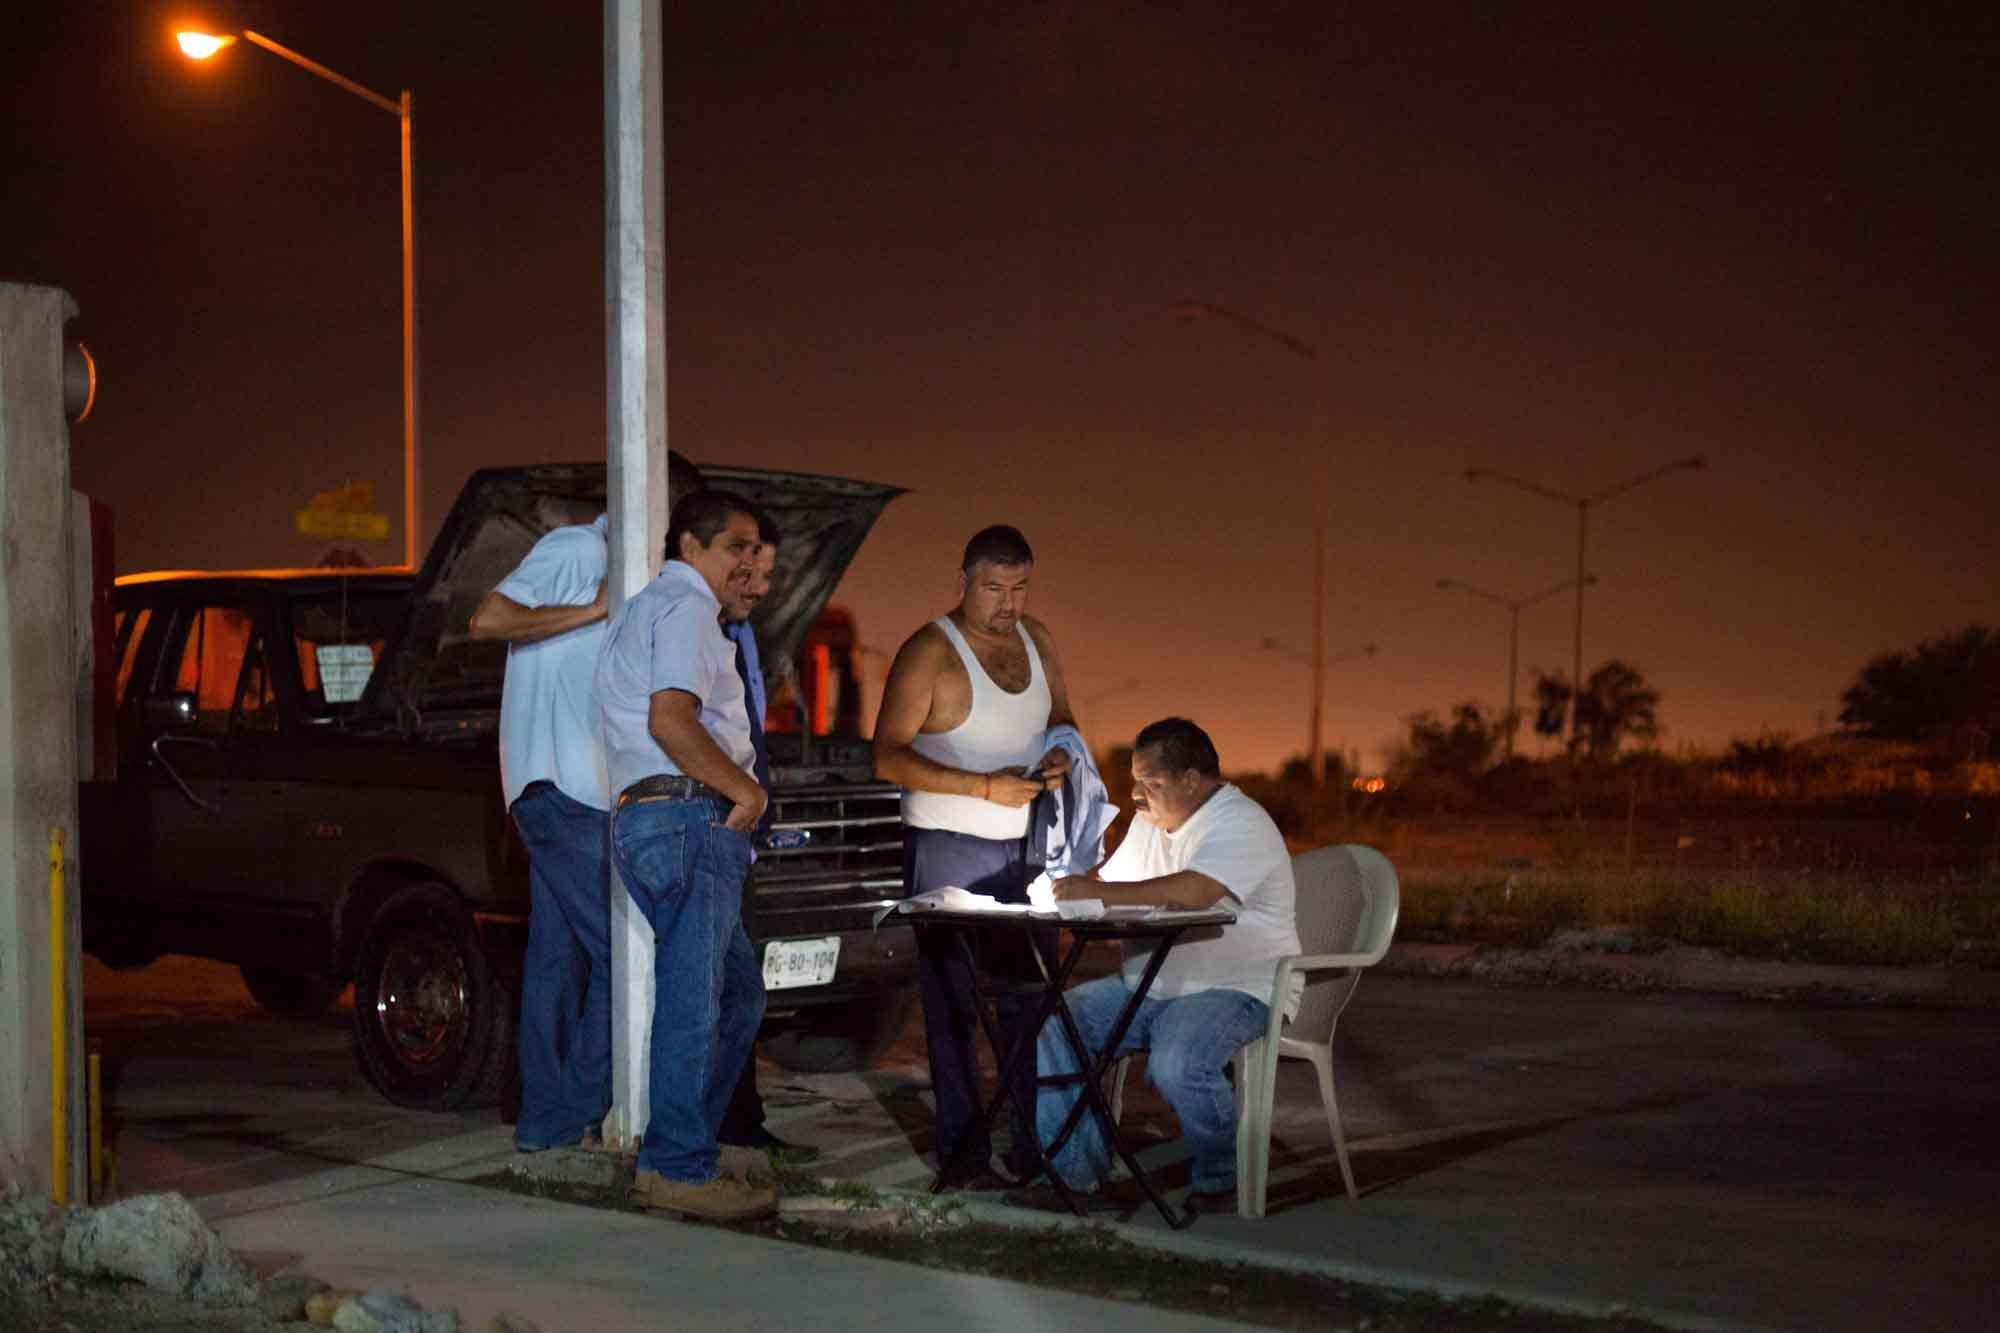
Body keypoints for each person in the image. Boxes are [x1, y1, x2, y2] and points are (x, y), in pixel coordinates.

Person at [1026, 717, 1301, 1216]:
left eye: (1150, 784)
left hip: (1237, 988)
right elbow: (1114, 887)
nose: (1136, 795)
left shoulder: (1240, 822)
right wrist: (1067, 888)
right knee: (1060, 1022)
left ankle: (1222, 1177)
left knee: (1177, 1062)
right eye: (1135, 782)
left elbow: (1197, 891)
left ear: (1191, 781)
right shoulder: (1149, 824)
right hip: (1153, 986)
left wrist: (1100, 892)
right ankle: (1075, 1176)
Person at [873, 524, 1075, 1187]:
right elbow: (888, 754)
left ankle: (1031, 1143)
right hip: (946, 847)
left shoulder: (1038, 640)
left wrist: (1059, 756)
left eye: (1019, 587)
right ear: (962, 583)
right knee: (954, 1004)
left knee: (1027, 1003)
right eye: (993, 587)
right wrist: (983, 785)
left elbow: (1064, 721)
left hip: (1025, 848)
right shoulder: (930, 650)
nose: (1007, 603)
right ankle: (963, 1152)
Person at [596, 488, 775, 1221]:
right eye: (734, 546)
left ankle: (684, 1143)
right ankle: (677, 1164)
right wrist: (748, 796)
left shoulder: (655, 609)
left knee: (737, 993)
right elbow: (671, 720)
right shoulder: (685, 607)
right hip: (687, 816)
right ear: (690, 548)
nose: (749, 562)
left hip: (661, 817)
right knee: (696, 999)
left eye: (756, 549)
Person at [467, 513, 612, 1154]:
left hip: (575, 791)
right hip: (558, 787)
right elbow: (488, 619)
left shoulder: (621, 561)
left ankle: (545, 1124)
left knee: (558, 961)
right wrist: (595, 610)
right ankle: (576, 1107)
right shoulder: (580, 548)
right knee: (627, 957)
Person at [716, 508, 819, 1163]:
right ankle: (718, 1124)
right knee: (729, 989)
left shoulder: (745, 633)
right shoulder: (698, 626)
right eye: (748, 566)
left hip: (743, 830)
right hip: (715, 823)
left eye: (768, 572)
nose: (758, 582)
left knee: (739, 988)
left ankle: (737, 1119)